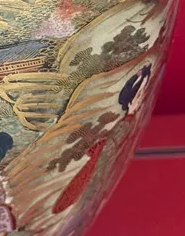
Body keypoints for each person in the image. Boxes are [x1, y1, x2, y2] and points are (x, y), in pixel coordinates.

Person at [50, 64, 152, 216]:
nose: (140, 97)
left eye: (143, 93)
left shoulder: (126, 122)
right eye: (139, 94)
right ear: (131, 100)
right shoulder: (124, 123)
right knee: (83, 192)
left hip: (104, 164)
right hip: (100, 163)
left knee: (85, 195)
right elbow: (110, 146)